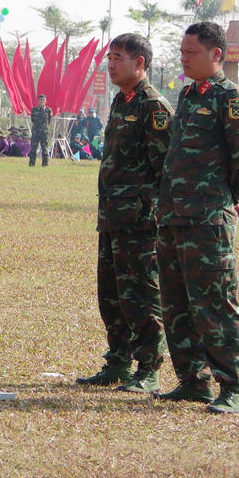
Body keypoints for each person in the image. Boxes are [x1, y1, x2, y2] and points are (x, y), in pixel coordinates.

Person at [156, 22, 239, 413]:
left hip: (207, 220)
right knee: (176, 302)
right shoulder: (186, 95)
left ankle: (233, 387)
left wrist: (225, 197)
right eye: (181, 51)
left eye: (191, 52)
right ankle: (192, 381)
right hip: (172, 216)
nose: (183, 58)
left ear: (216, 54)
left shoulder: (230, 98)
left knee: (214, 303)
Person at [76, 33, 170, 392]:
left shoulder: (153, 107)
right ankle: (117, 361)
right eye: (109, 58)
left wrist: (155, 216)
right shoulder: (121, 101)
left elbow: (165, 169)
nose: (111, 65)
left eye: (118, 58)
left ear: (139, 63)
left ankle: (149, 368)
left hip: (140, 222)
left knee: (141, 294)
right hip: (113, 217)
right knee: (111, 293)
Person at [29, 94, 53, 166]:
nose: (41, 101)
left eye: (43, 100)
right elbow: (32, 119)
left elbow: (49, 120)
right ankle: (32, 163)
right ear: (38, 101)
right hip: (35, 131)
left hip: (44, 132)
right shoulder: (34, 110)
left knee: (44, 148)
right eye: (40, 100)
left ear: (45, 101)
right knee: (33, 148)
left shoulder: (48, 110)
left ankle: (45, 164)